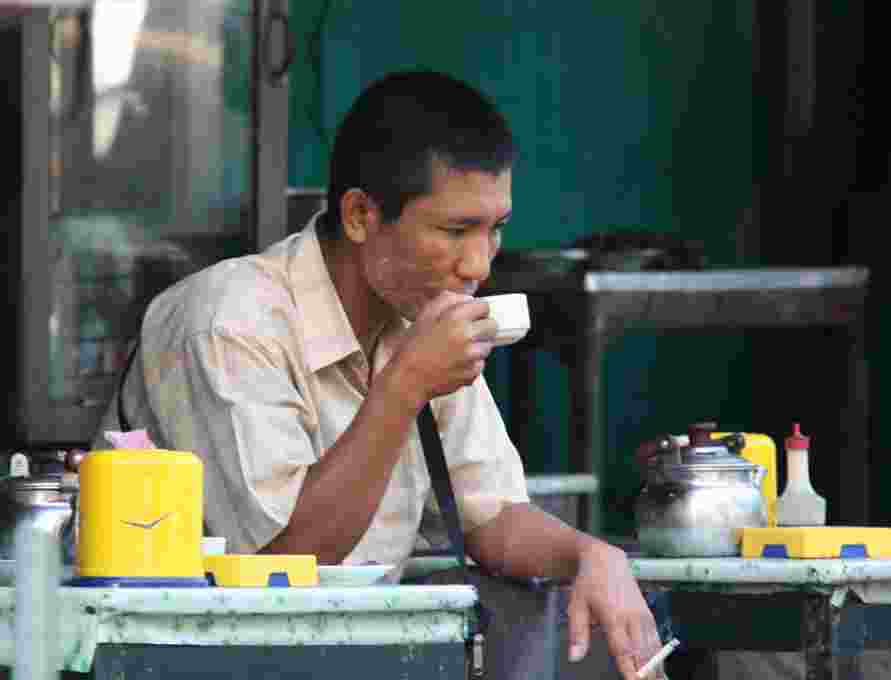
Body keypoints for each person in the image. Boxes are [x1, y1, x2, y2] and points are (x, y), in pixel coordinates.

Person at [92, 69, 666, 679]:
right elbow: (283, 562)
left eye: (494, 229)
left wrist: (589, 554)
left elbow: (488, 515)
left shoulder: (418, 315)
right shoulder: (226, 321)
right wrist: (403, 386)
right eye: (453, 230)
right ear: (362, 214)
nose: (477, 264)